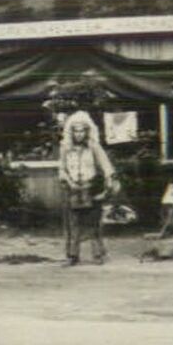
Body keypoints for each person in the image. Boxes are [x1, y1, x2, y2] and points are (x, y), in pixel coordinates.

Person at [57, 111, 118, 265]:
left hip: (91, 187)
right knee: (73, 224)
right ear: (71, 132)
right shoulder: (65, 148)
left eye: (82, 131)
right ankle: (72, 256)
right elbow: (62, 169)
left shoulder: (94, 147)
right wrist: (68, 181)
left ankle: (98, 255)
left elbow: (105, 165)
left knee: (93, 223)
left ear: (87, 131)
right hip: (72, 189)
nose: (79, 134)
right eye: (76, 131)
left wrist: (108, 180)